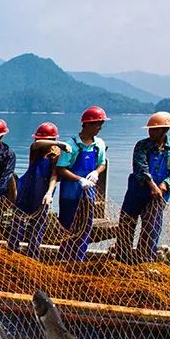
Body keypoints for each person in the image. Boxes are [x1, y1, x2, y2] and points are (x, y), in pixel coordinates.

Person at [116, 111, 170, 262]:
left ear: (165, 130)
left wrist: (165, 184)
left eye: (155, 129)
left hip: (159, 194)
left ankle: (145, 259)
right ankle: (123, 258)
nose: (151, 132)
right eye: (150, 129)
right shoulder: (142, 145)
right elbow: (140, 166)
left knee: (151, 226)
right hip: (137, 191)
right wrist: (152, 185)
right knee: (126, 223)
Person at [56, 106, 109, 261]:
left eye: (101, 124)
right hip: (70, 194)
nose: (99, 128)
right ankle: (65, 258)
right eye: (97, 124)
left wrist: (96, 172)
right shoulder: (71, 145)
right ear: (87, 124)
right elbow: (61, 168)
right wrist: (79, 179)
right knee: (68, 226)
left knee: (85, 226)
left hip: (88, 194)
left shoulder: (99, 144)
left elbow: (102, 163)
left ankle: (79, 258)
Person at [8, 123, 62, 259]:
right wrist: (60, 143)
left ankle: (32, 257)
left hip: (42, 194)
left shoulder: (56, 155)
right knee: (17, 224)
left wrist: (49, 193)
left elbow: (54, 176)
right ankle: (11, 253)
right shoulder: (35, 150)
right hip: (26, 191)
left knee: (36, 229)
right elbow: (37, 145)